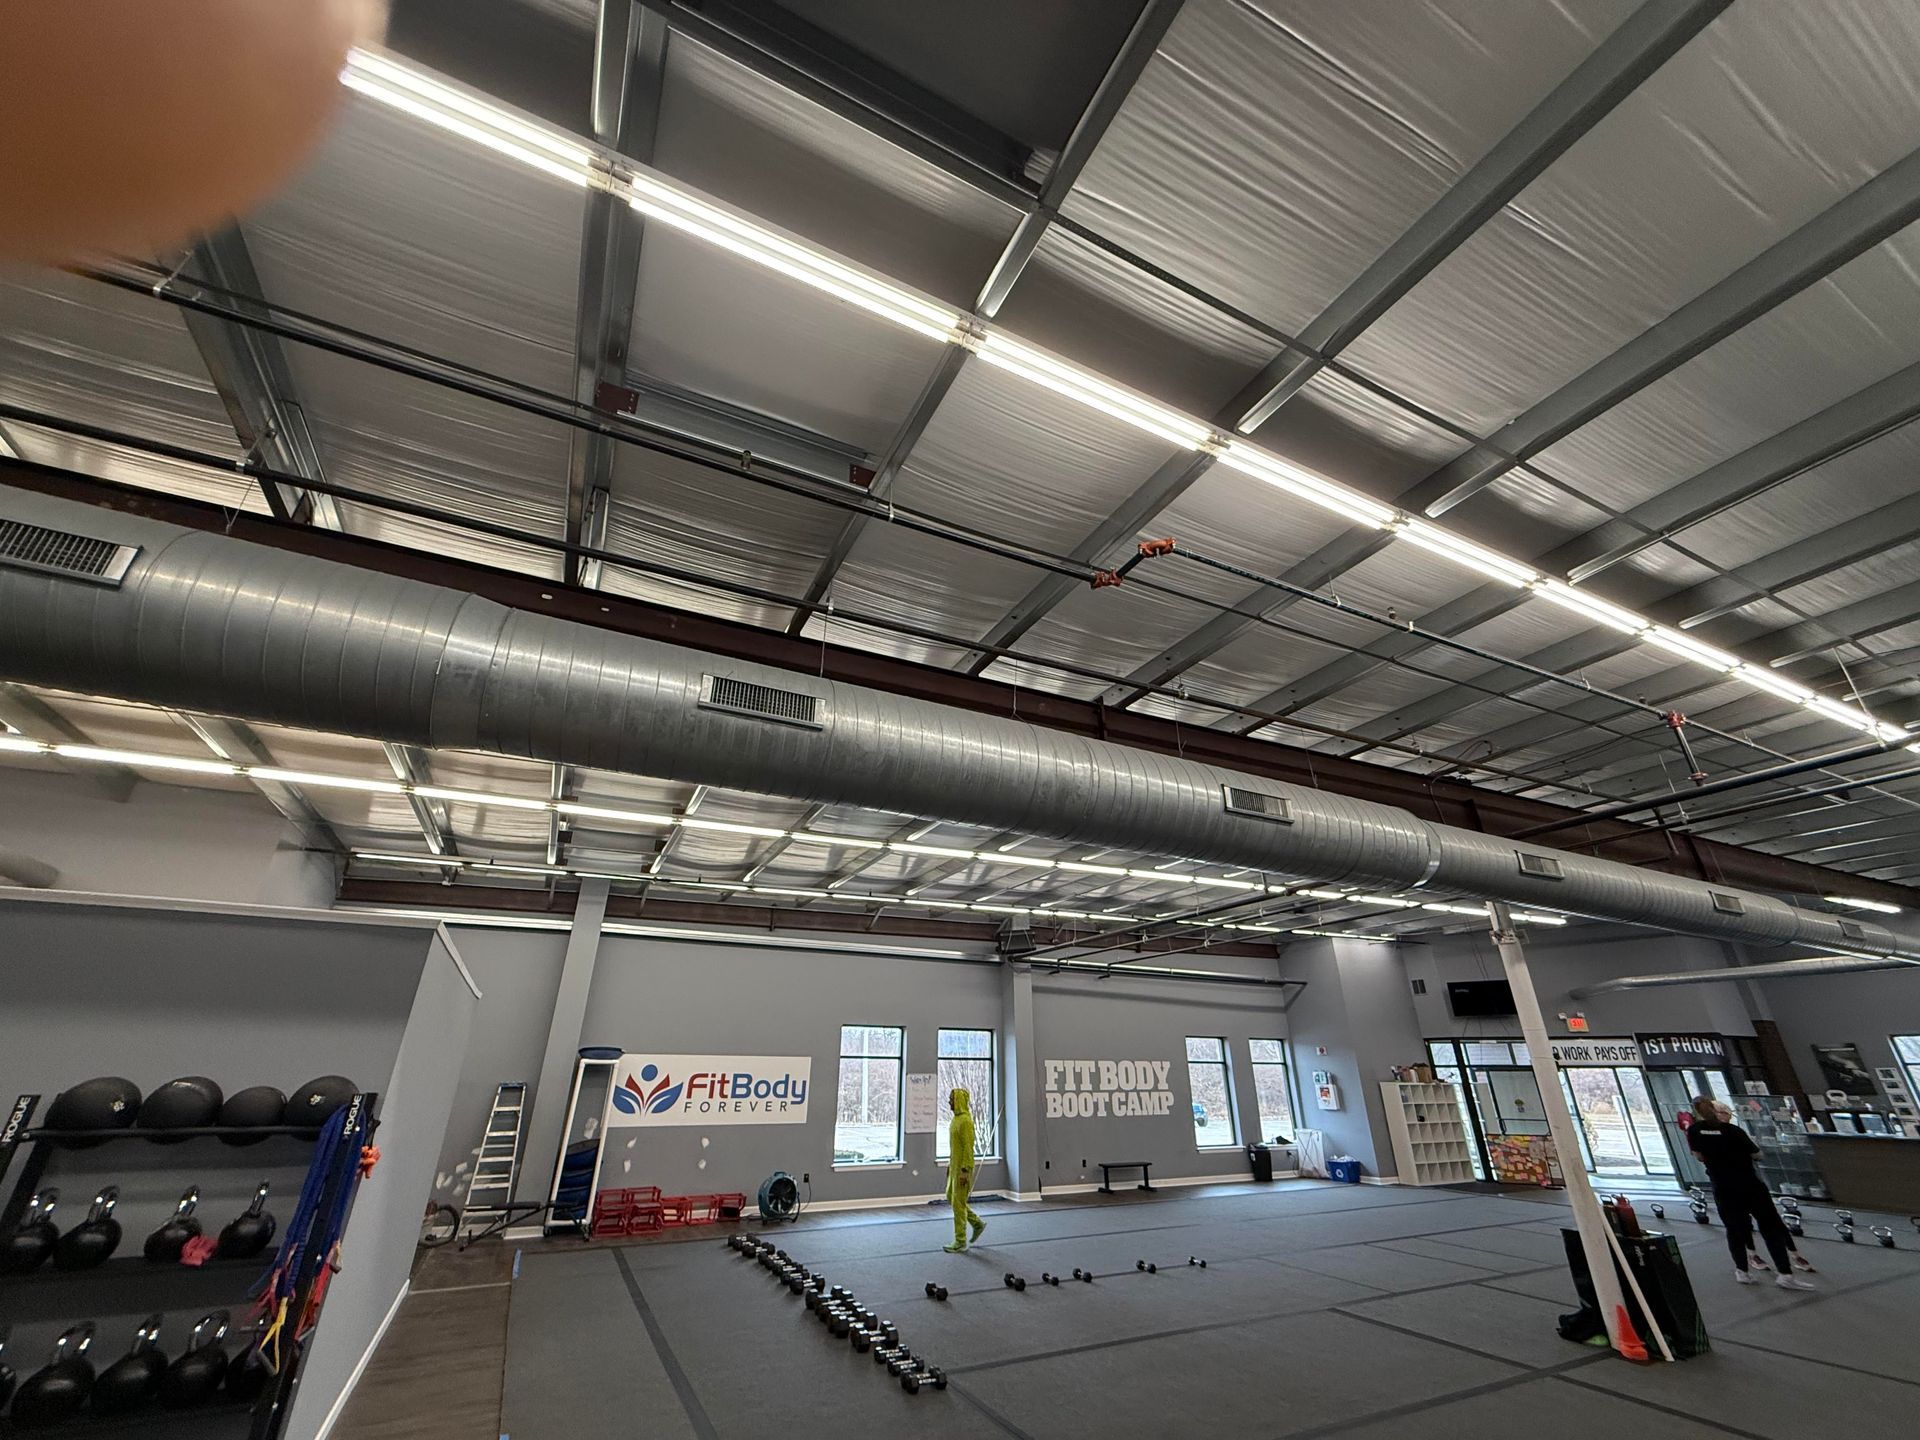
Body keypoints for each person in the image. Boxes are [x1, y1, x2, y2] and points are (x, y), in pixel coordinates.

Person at [1686, 1095, 1813, 1290]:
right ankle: (1784, 1272)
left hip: (1722, 1186)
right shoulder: (1733, 1131)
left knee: (1734, 1229)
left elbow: (1699, 1156)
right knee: (1769, 1226)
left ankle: (1742, 1271)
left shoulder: (1694, 1132)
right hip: (1748, 1184)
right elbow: (1757, 1154)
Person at [944, 1086, 986, 1253]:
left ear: (959, 1100)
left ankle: (960, 1240)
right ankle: (977, 1223)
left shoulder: (966, 1121)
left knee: (958, 1203)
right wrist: (950, 1165)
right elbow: (956, 1147)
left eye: (951, 1099)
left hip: (963, 1168)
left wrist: (965, 1170)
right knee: (951, 1198)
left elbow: (968, 1148)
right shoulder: (955, 1120)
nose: (949, 1102)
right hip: (954, 1166)